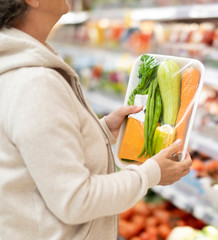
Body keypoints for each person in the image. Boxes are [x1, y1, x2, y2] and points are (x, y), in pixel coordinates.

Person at [0, 0, 192, 239]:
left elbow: (33, 154)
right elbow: (76, 200)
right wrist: (151, 174)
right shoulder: (34, 82)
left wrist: (99, 131)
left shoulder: (19, 67)